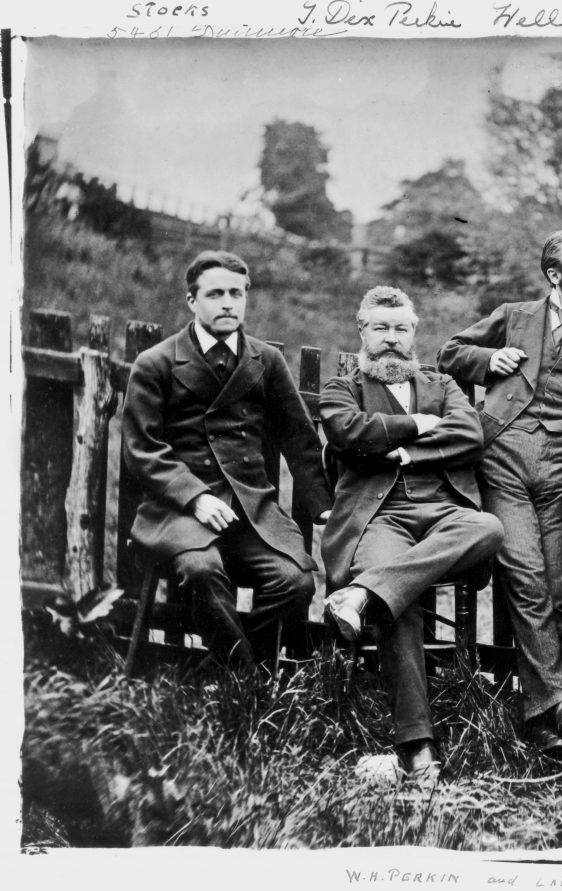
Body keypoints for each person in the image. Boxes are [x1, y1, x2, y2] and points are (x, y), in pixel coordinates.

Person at [437, 230, 562, 759]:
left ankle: (545, 718)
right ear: (554, 275)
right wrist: (490, 359)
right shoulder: (513, 316)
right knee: (525, 575)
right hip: (504, 455)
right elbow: (449, 352)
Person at [319, 286, 504, 779]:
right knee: (395, 596)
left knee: (488, 527)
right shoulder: (342, 387)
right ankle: (418, 746)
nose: (391, 339)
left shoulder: (442, 384)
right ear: (362, 332)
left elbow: (470, 433)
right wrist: (419, 422)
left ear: (413, 333)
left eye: (401, 329)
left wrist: (404, 450)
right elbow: (349, 431)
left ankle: (361, 595)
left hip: (443, 512)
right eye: (381, 328)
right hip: (379, 515)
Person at [122, 250, 332, 670]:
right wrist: (194, 497)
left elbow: (299, 437)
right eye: (215, 294)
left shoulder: (265, 360)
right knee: (201, 571)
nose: (228, 303)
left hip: (249, 513)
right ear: (191, 300)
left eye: (236, 293)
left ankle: (223, 674)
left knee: (296, 582)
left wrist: (323, 505)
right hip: (179, 512)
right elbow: (141, 448)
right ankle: (247, 681)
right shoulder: (156, 362)